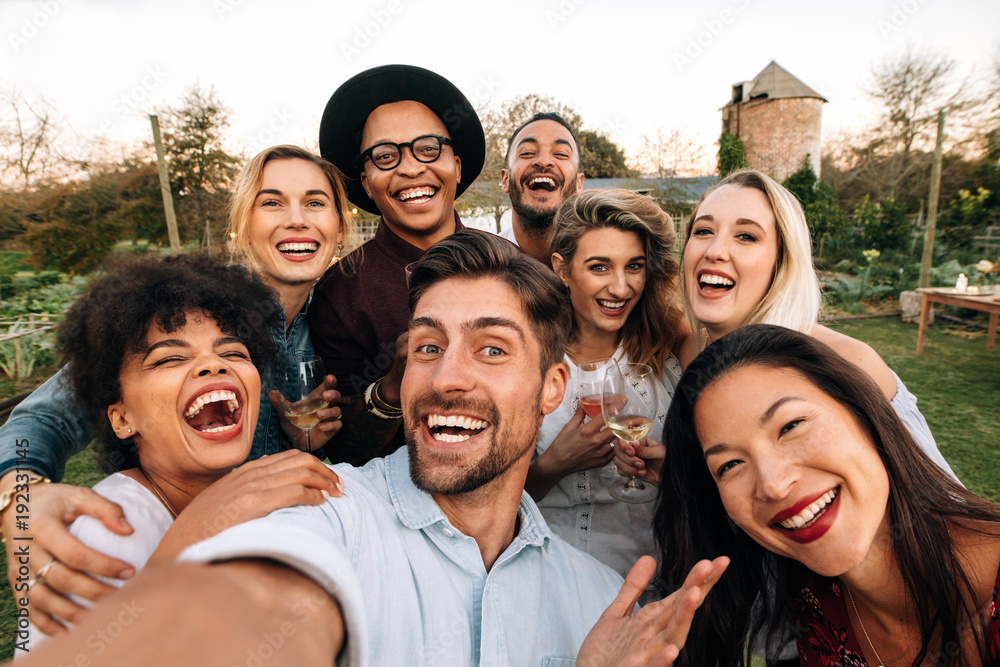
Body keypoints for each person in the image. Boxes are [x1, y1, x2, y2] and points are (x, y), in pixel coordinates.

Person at [18, 231, 729, 667]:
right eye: (426, 346)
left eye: (490, 348)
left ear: (552, 388)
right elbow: (251, 601)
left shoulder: (602, 602)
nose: (447, 377)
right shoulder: (322, 512)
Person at [0, 145, 350, 634]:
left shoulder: (330, 328)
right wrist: (21, 497)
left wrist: (299, 438)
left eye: (315, 203)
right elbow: (42, 419)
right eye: (272, 203)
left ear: (339, 225)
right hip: (167, 543)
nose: (297, 219)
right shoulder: (187, 311)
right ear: (242, 223)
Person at [653, 323, 1000, 666]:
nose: (773, 485)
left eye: (790, 426)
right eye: (730, 465)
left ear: (864, 413)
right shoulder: (811, 605)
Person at [614, 168, 958, 485]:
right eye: (703, 231)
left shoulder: (846, 364)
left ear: (782, 260)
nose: (716, 250)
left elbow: (940, 506)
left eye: (746, 236)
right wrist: (679, 474)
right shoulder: (690, 353)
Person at [309, 64, 486, 464]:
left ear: (456, 166)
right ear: (366, 181)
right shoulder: (340, 292)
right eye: (385, 156)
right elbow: (338, 449)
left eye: (428, 149)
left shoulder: (514, 267)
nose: (410, 168)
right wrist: (391, 386)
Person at [525, 189, 686, 581]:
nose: (620, 288)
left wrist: (671, 475)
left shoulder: (671, 354)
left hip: (652, 581)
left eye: (634, 266)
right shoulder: (528, 363)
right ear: (562, 269)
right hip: (549, 581)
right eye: (599, 267)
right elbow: (481, 500)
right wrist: (553, 466)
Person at [498, 111, 585, 264]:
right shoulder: (479, 267)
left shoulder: (600, 264)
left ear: (579, 183)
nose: (543, 161)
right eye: (527, 152)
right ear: (505, 180)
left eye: (561, 154)